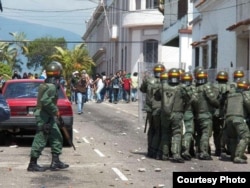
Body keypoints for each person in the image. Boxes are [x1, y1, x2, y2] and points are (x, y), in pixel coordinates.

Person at [27, 61, 69, 172]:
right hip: (43, 116)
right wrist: (56, 111)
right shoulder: (51, 87)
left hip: (47, 115)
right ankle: (32, 164)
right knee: (40, 138)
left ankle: (56, 162)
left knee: (57, 136)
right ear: (58, 72)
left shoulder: (46, 84)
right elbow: (45, 101)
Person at [155, 68, 197, 163]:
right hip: (177, 113)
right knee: (177, 133)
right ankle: (176, 154)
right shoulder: (181, 87)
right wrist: (184, 107)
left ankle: (164, 154)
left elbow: (157, 97)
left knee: (165, 133)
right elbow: (189, 99)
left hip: (165, 114)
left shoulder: (163, 86)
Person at [140, 63, 165, 159]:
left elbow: (142, 89)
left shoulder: (148, 80)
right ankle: (157, 150)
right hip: (159, 108)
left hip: (149, 108)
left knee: (152, 129)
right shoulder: (165, 81)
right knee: (159, 130)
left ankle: (151, 150)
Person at [193, 69, 219, 160]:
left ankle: (200, 151)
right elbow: (212, 99)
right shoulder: (206, 87)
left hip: (197, 115)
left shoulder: (195, 88)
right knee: (206, 133)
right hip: (206, 115)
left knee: (200, 133)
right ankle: (204, 152)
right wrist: (218, 104)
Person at [223, 78, 250, 163]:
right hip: (238, 118)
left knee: (233, 138)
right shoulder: (245, 94)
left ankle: (234, 155)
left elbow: (225, 107)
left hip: (228, 119)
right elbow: (248, 104)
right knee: (245, 136)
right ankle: (238, 156)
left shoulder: (231, 95)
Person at [212, 71, 231, 156]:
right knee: (227, 131)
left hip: (216, 112)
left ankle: (218, 149)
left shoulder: (213, 86)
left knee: (216, 132)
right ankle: (227, 148)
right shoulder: (231, 87)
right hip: (227, 112)